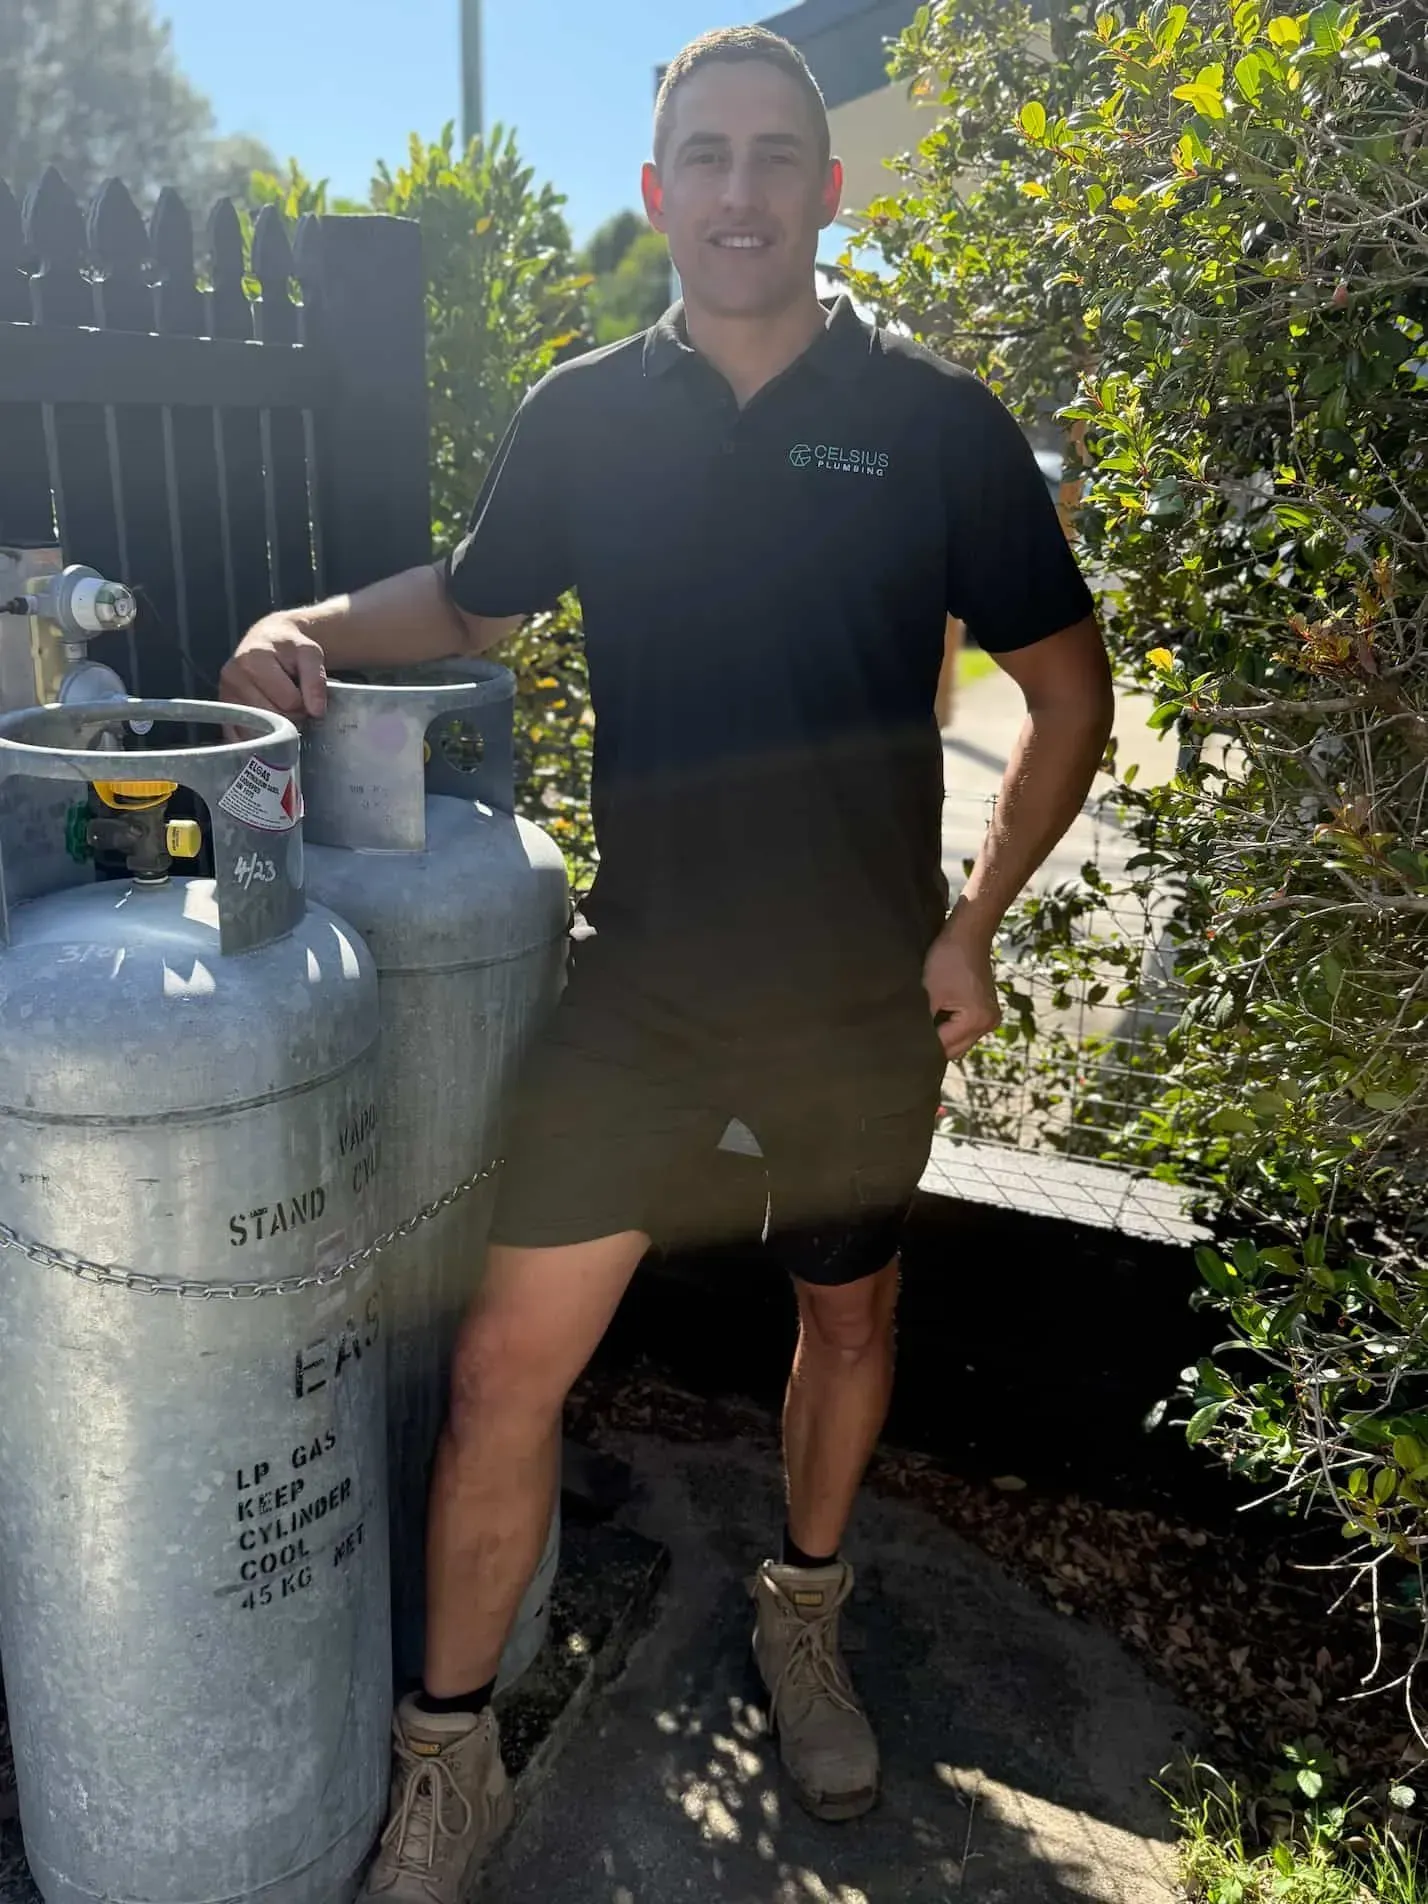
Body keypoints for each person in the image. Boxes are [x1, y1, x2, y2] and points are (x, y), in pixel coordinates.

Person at [220, 25, 1114, 1899]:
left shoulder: (937, 422)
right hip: (643, 982)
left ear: (826, 186)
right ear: (657, 193)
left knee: (849, 1319)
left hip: (861, 991)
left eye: (773, 155)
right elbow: (473, 600)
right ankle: (448, 1757)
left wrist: (973, 924)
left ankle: (804, 1613)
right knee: (498, 1374)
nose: (737, 189)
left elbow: (1064, 689)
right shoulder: (586, 413)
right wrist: (300, 616)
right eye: (701, 156)